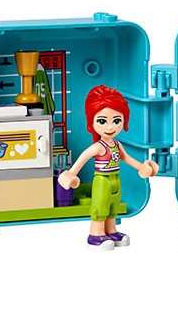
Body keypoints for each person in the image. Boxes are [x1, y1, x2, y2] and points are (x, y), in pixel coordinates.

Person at [58, 85, 159, 250]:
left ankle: (111, 231)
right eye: (102, 121)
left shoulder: (117, 144)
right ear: (91, 122)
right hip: (102, 180)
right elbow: (83, 157)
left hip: (115, 179)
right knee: (100, 207)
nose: (110, 127)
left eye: (116, 121)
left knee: (113, 207)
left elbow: (125, 158)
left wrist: (142, 167)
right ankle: (96, 234)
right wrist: (71, 174)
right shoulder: (98, 147)